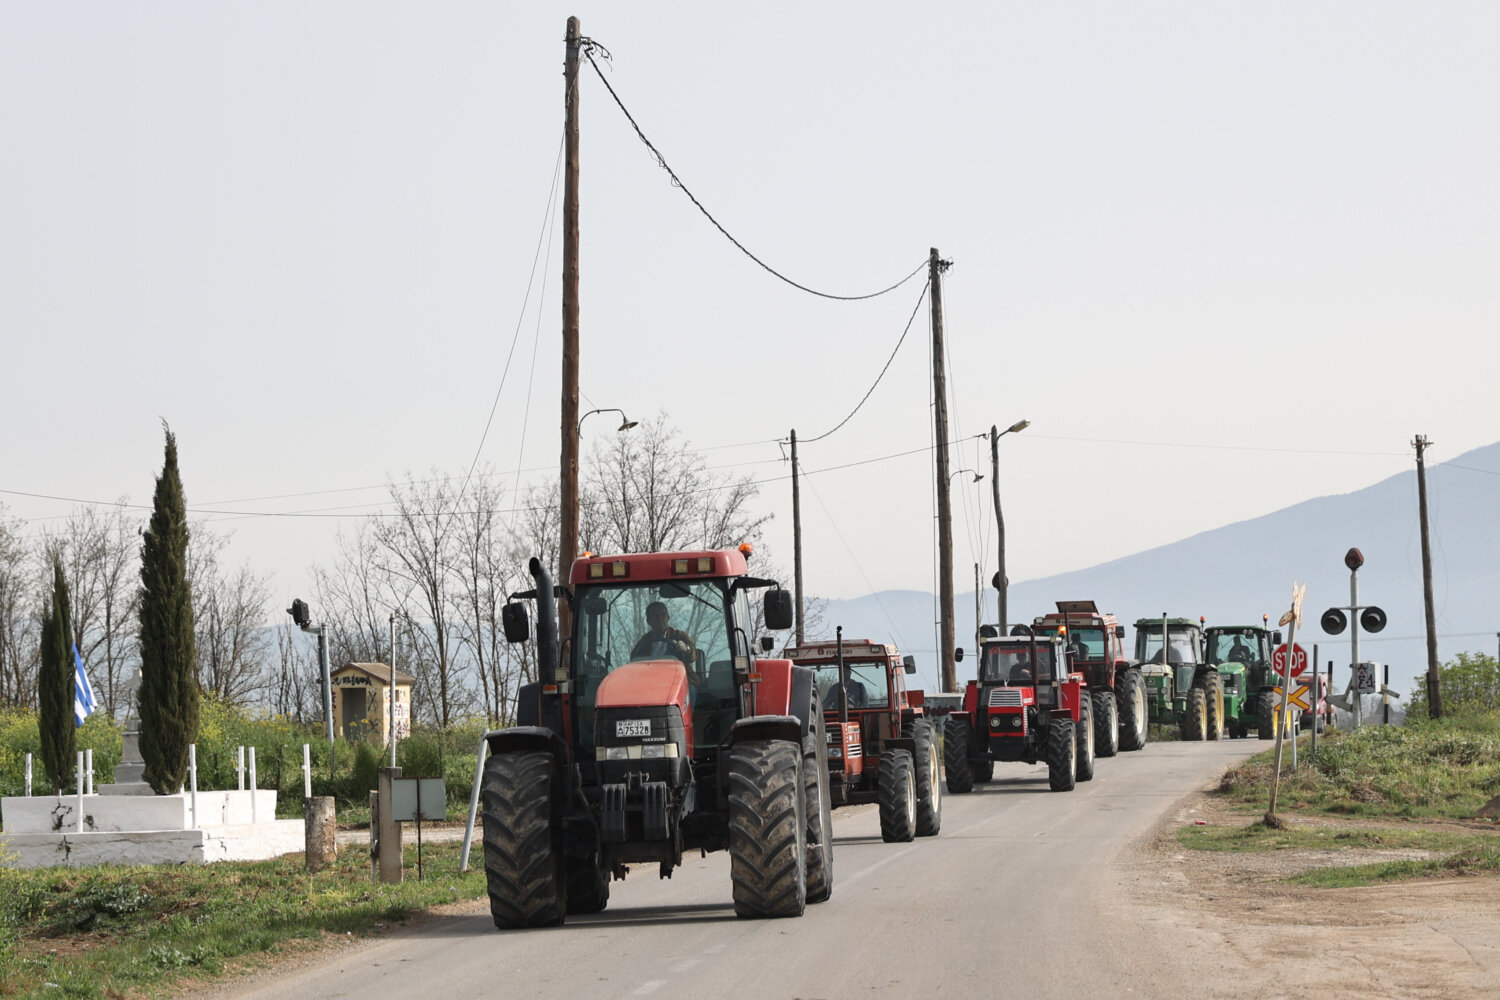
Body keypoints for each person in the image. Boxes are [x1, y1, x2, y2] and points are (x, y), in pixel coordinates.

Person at [631, 601, 697, 666]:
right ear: (648, 621)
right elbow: (634, 658)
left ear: (668, 618)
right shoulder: (645, 641)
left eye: (662, 614)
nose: (659, 618)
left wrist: (686, 648)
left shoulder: (678, 636)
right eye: (655, 615)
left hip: (676, 675)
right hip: (650, 675)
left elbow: (694, 654)